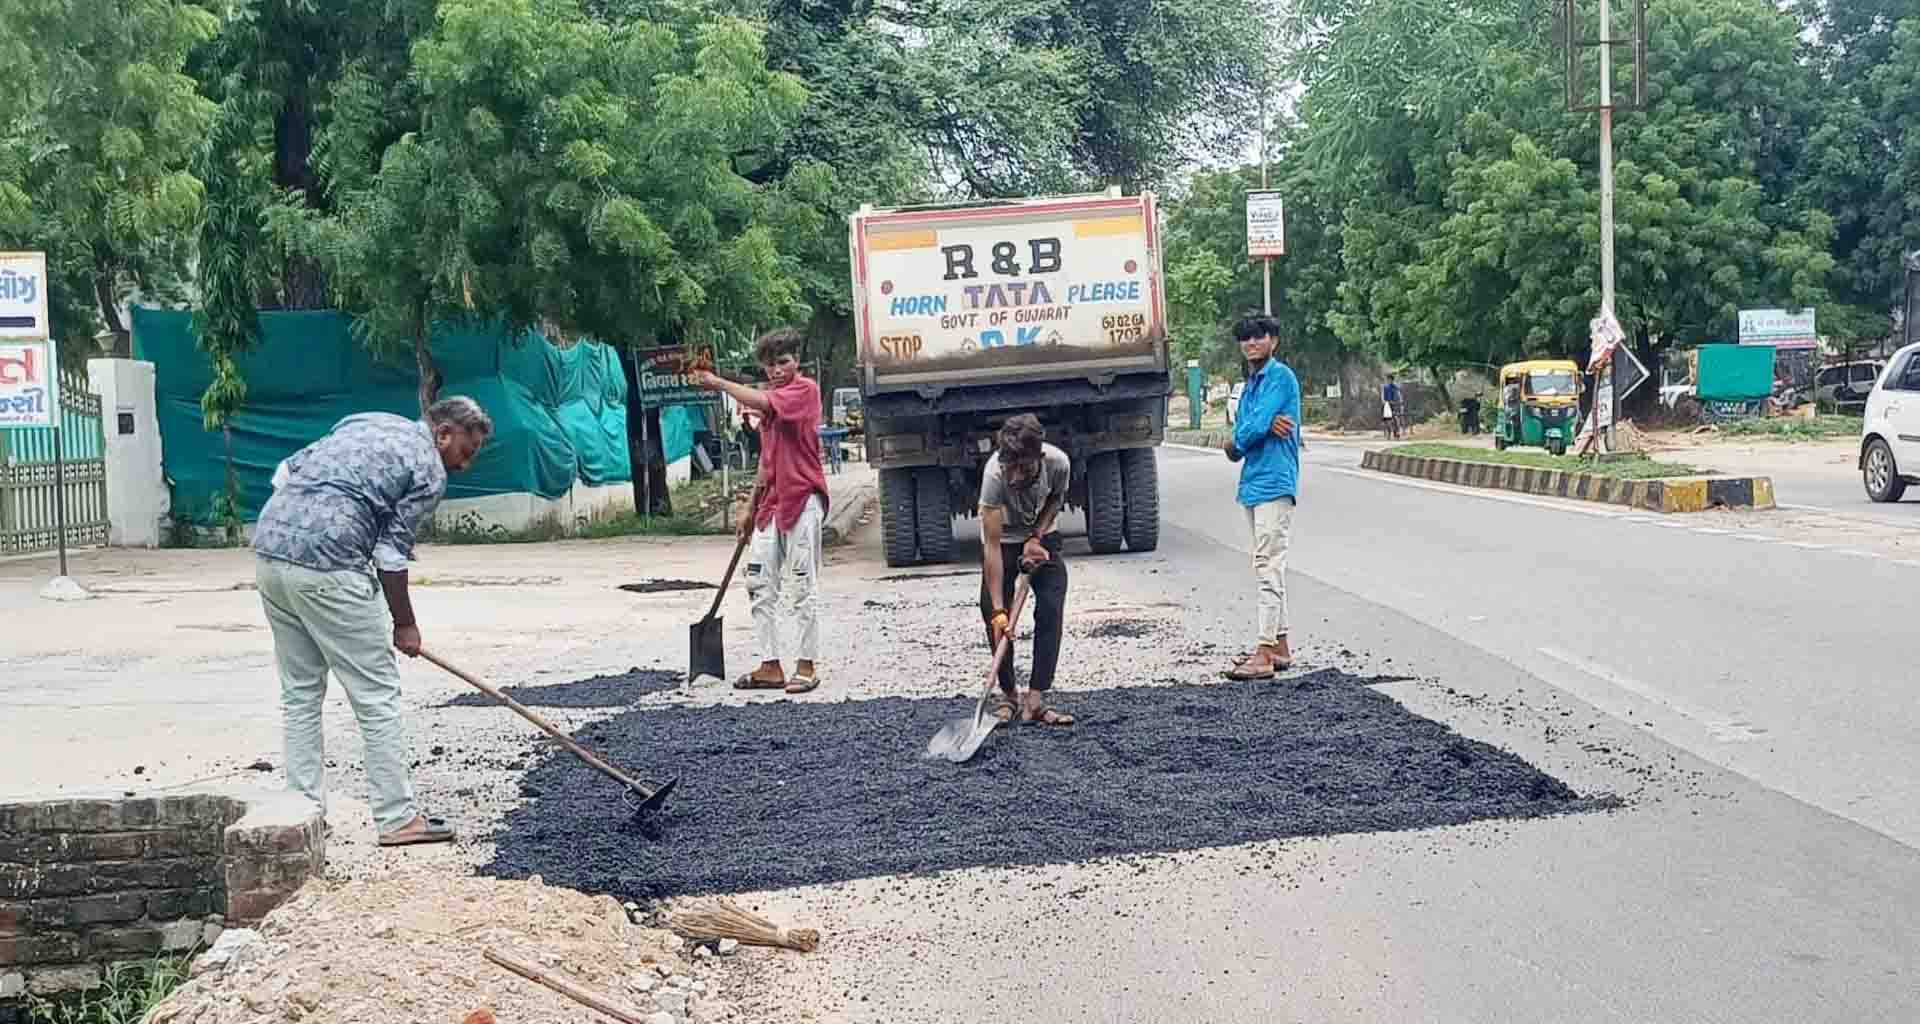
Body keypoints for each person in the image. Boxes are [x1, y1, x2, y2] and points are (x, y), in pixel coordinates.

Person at [253, 397, 493, 847]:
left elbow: (285, 474)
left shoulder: (366, 419)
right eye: (467, 451)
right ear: (443, 433)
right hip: (330, 565)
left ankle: (303, 815)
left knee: (300, 693)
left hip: (270, 553)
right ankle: (396, 818)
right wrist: (405, 624)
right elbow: (390, 553)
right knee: (376, 695)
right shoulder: (429, 469)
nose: (465, 465)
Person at [693, 328, 830, 694]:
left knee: (802, 584)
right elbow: (766, 463)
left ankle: (806, 665)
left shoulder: (804, 392)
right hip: (772, 503)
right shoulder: (769, 407)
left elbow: (764, 402)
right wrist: (750, 508)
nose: (777, 371)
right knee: (758, 583)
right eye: (770, 366)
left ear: (796, 361)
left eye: (783, 362)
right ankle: (770, 666)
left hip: (803, 499)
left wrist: (718, 383)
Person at [977, 413, 1074, 725]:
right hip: (1004, 539)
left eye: (1025, 467)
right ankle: (1009, 695)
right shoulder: (994, 476)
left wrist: (1036, 537)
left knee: (1051, 605)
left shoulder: (1058, 463)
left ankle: (1035, 697)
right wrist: (998, 610)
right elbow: (992, 546)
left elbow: (1056, 499)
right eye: (1011, 467)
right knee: (993, 613)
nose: (1016, 476)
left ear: (1039, 458)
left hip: (1042, 535)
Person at [1221, 316, 1302, 681]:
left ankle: (1265, 652)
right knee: (1263, 564)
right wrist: (1257, 429)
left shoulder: (1281, 378)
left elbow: (1245, 431)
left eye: (1258, 336)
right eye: (1245, 338)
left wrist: (1248, 433)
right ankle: (1280, 646)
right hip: (1252, 482)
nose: (1251, 343)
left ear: (1274, 341)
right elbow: (1244, 430)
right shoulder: (1250, 385)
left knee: (1270, 566)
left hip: (1275, 481)